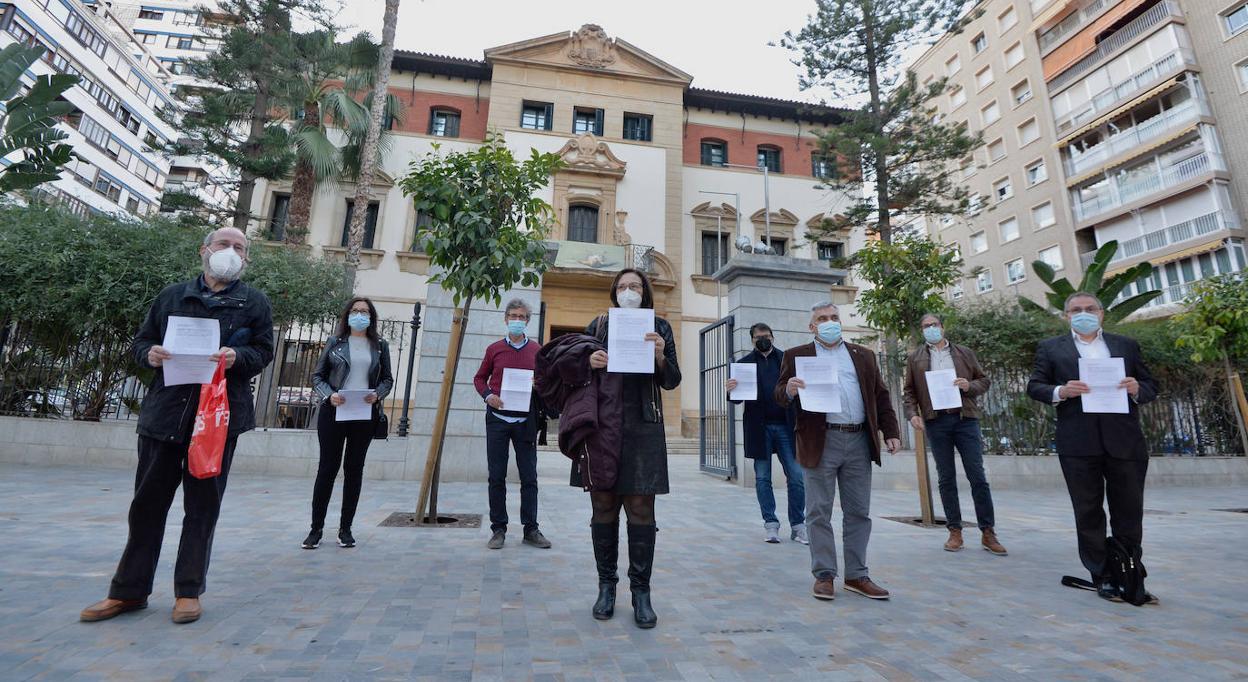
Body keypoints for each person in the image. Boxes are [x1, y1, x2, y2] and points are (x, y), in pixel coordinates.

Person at [80, 227, 274, 625]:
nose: (231, 252)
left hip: (216, 423)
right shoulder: (171, 296)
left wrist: (238, 356)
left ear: (247, 259)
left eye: (240, 247)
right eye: (224, 244)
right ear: (205, 250)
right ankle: (128, 592)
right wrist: (148, 354)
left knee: (202, 508)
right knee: (146, 507)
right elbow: (140, 342)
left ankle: (188, 591)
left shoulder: (254, 303)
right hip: (165, 415)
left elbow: (264, 351)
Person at [1026, 292, 1159, 604]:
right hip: (1078, 441)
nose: (1082, 313)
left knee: (1129, 511)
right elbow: (1035, 386)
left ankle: (1129, 572)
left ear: (1101, 313)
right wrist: (1061, 390)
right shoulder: (1051, 348)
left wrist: (1138, 388)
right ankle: (1102, 576)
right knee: (1087, 511)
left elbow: (1151, 385)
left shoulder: (1125, 345)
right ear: (1066, 315)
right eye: (1075, 310)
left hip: (1124, 440)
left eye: (1089, 308)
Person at [775, 302, 901, 602]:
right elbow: (778, 396)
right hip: (821, 440)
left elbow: (880, 396)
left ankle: (857, 575)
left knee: (859, 511)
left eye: (833, 317)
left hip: (858, 439)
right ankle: (824, 575)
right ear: (812, 326)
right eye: (822, 319)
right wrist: (789, 389)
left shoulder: (864, 355)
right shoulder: (796, 356)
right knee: (818, 511)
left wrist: (892, 431)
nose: (829, 322)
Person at [581, 268, 680, 628]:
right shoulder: (598, 326)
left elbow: (672, 381)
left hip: (643, 426)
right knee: (603, 504)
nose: (627, 291)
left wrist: (659, 355)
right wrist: (587, 362)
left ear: (645, 292)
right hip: (602, 427)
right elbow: (575, 373)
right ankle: (606, 587)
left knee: (640, 508)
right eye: (621, 286)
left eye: (634, 286)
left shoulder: (661, 327)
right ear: (614, 292)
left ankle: (641, 592)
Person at [902, 313, 1006, 556]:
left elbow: (984, 380)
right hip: (936, 421)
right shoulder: (915, 358)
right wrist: (912, 413)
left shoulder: (963, 353)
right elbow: (909, 391)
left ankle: (988, 531)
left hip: (965, 418)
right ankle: (954, 530)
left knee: (977, 476)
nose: (930, 329)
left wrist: (970, 386)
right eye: (926, 326)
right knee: (946, 478)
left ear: (942, 327)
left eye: (934, 325)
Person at [302, 297, 394, 550]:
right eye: (355, 311)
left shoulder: (379, 346)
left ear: (371, 318)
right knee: (327, 469)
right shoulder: (335, 343)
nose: (360, 315)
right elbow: (317, 376)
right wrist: (328, 395)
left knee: (354, 470)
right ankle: (316, 529)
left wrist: (378, 394)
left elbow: (387, 379)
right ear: (348, 315)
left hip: (363, 413)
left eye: (365, 312)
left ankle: (346, 529)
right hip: (334, 412)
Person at [473, 299, 550, 550]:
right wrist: (488, 396)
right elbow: (479, 377)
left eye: (522, 316)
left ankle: (531, 529)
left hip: (525, 421)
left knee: (529, 477)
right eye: (513, 316)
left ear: (528, 320)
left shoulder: (537, 350)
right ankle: (498, 529)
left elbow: (545, 381)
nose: (517, 320)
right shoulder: (494, 349)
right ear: (506, 319)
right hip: (497, 420)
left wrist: (538, 386)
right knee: (496, 476)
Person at [727, 323, 806, 544]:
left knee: (797, 476)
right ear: (751, 340)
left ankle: (798, 525)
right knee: (762, 478)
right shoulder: (743, 364)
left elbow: (798, 393)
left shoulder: (786, 361)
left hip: (786, 427)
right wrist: (731, 389)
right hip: (758, 427)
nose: (763, 340)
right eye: (758, 337)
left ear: (773, 336)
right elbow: (736, 400)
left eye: (766, 336)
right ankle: (771, 524)